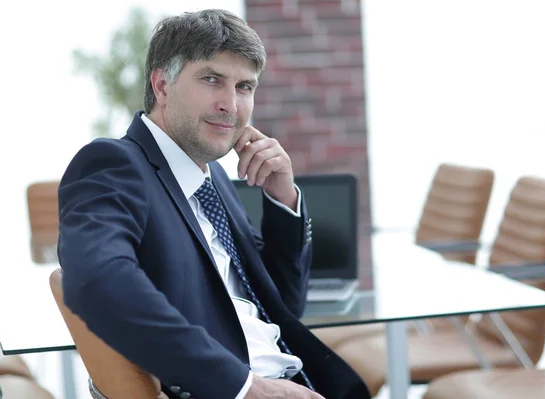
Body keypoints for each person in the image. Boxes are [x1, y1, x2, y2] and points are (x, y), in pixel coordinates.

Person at [58, 9, 370, 399]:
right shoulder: (114, 165)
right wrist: (243, 387)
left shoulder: (212, 177)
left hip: (294, 379)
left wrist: (281, 199)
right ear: (162, 85)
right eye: (212, 80)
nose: (231, 105)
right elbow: (97, 283)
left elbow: (283, 305)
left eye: (244, 87)